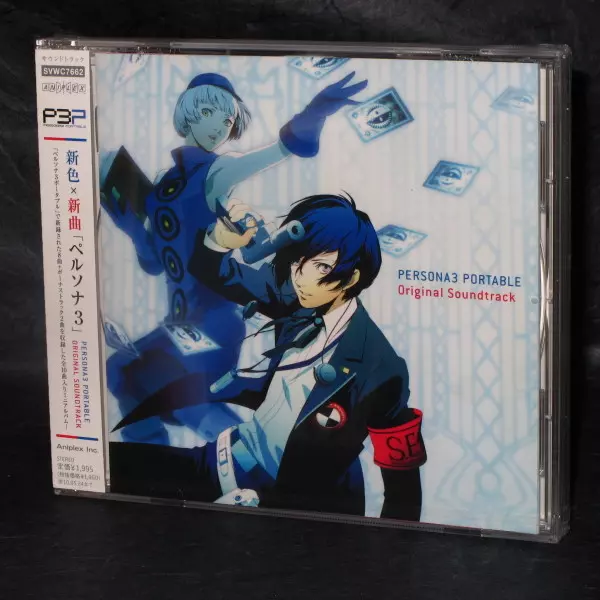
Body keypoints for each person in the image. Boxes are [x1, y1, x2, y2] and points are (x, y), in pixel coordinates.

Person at [109, 194, 426, 521]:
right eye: (297, 263)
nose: (301, 279)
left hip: (283, 504)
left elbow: (403, 490)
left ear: (352, 277)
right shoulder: (296, 297)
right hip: (224, 459)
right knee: (106, 464)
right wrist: (220, 241)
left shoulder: (381, 366)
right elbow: (219, 275)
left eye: (320, 267)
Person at [101, 71, 368, 445]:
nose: (218, 127)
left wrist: (314, 113)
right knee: (122, 371)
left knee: (188, 399)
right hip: (178, 322)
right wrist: (131, 227)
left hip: (214, 320)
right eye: (207, 112)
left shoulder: (216, 171)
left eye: (227, 120)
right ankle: (153, 462)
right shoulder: (161, 186)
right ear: (187, 114)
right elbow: (154, 263)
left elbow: (277, 151)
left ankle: (260, 462)